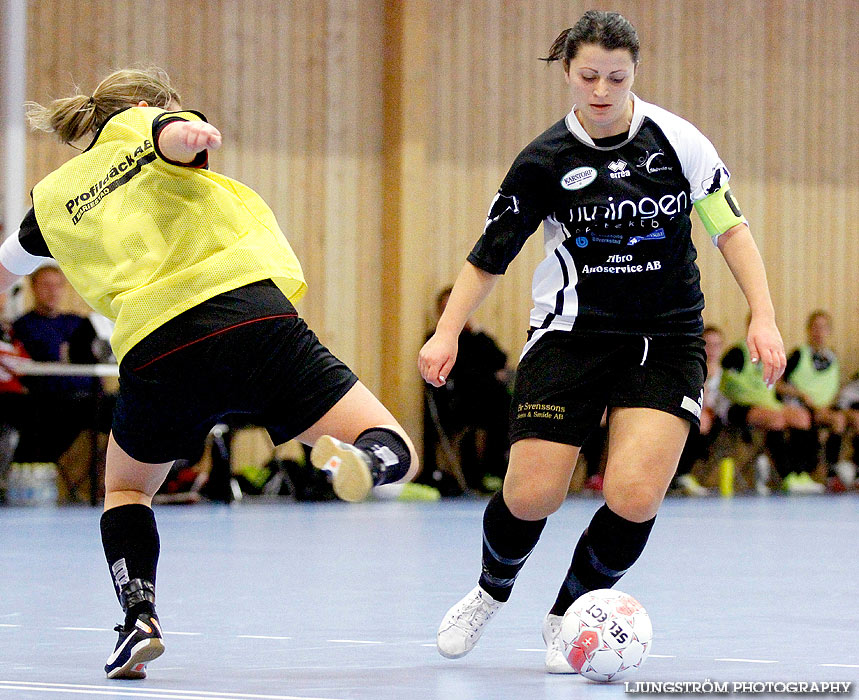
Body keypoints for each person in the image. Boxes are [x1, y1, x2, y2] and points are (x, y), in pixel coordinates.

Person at [0, 67, 418, 680]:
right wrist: (191, 135)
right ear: (143, 102)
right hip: (247, 316)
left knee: (126, 490)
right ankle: (367, 464)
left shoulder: (55, 198)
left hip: (158, 347)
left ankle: (138, 617)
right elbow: (171, 131)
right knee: (393, 441)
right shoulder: (153, 123)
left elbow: (10, 261)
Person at [419, 11, 785, 674]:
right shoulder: (543, 160)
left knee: (634, 493)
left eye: (616, 76)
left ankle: (569, 615)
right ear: (567, 71)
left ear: (633, 73)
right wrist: (446, 332)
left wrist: (762, 315)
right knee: (531, 494)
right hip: (571, 335)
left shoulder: (678, 142)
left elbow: (729, 230)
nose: (601, 88)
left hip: (664, 338)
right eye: (588, 75)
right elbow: (489, 255)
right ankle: (489, 590)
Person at [10, 265, 112, 465]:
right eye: (46, 285)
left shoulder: (79, 322)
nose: (52, 291)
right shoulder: (23, 326)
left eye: (58, 286)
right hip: (52, 403)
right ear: (33, 288)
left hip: (92, 397)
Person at [423, 286, 510, 493]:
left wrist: (476, 331)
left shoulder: (476, 338)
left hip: (484, 401)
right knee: (490, 400)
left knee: (502, 404)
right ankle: (480, 475)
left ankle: (495, 469)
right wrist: (490, 374)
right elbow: (463, 372)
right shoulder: (435, 340)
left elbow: (500, 358)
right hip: (455, 403)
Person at [721, 318, 818, 494]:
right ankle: (787, 475)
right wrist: (760, 401)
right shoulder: (737, 352)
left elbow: (777, 385)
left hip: (769, 405)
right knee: (776, 421)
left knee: (802, 417)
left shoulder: (771, 354)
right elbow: (730, 387)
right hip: (740, 406)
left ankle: (801, 472)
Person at [777, 310, 845, 492]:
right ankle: (801, 472)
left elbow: (832, 388)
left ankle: (832, 473)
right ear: (808, 330)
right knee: (805, 419)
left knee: (840, 420)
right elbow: (778, 385)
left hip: (824, 408)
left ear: (829, 331)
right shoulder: (798, 355)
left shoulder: (832, 359)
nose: (819, 333)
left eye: (823, 328)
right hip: (800, 406)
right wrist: (801, 394)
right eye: (815, 328)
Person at [672, 325, 729, 496]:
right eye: (708, 345)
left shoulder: (726, 373)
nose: (712, 350)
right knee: (697, 421)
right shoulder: (692, 369)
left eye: (716, 345)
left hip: (718, 416)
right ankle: (680, 474)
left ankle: (683, 473)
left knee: (706, 422)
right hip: (693, 412)